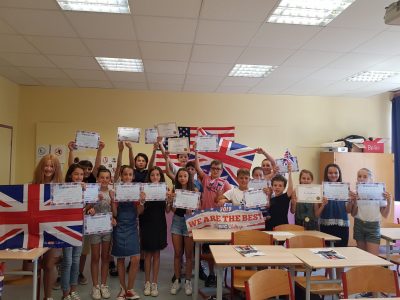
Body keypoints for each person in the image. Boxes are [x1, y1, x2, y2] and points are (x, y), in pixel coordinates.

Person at [194, 145, 230, 286]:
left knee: (219, 250)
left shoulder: (225, 183)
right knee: (207, 250)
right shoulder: (206, 178)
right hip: (205, 220)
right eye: (213, 168)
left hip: (218, 221)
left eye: (218, 169)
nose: (215, 171)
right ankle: (211, 275)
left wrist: (223, 199)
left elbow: (230, 198)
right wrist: (197, 152)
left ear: (221, 170)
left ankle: (219, 275)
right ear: (210, 169)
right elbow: (197, 168)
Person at [68, 140, 104, 285]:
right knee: (68, 248)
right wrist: (70, 150)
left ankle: (79, 272)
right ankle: (64, 273)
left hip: (86, 219)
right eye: (85, 169)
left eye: (90, 169)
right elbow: (71, 167)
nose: (88, 171)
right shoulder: (73, 181)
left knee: (83, 250)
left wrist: (99, 150)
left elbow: (97, 168)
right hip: (71, 218)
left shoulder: (92, 182)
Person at [32, 154, 63, 300]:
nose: (49, 169)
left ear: (56, 169)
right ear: (41, 167)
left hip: (53, 230)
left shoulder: (61, 187)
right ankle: (37, 296)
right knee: (37, 266)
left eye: (52, 166)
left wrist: (79, 189)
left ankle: (48, 297)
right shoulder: (32, 186)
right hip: (35, 231)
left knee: (49, 265)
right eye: (46, 165)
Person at [111, 165, 143, 300]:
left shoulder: (137, 190)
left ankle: (130, 289)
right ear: (121, 176)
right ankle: (122, 289)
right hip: (119, 227)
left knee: (135, 258)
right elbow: (115, 213)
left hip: (132, 226)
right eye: (125, 174)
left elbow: (139, 213)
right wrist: (113, 200)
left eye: (130, 175)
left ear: (133, 177)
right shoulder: (116, 190)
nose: (128, 177)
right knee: (120, 258)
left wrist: (141, 201)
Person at [140, 166, 170, 297]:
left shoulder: (165, 189)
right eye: (152, 175)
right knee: (147, 255)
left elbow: (168, 210)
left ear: (161, 177)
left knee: (156, 254)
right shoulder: (144, 190)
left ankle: (154, 283)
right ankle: (147, 282)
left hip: (159, 224)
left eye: (158, 175)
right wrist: (142, 200)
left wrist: (169, 200)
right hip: (146, 223)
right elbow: (140, 210)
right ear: (149, 177)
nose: (155, 177)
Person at [349, 168, 391, 256]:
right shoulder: (355, 193)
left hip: (373, 226)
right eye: (359, 176)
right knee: (362, 256)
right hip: (359, 225)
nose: (361, 178)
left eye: (365, 177)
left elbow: (385, 215)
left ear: (371, 179)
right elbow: (353, 214)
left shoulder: (379, 192)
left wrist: (389, 201)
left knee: (373, 258)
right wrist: (354, 201)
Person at [168, 168, 197, 296]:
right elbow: (172, 210)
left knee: (189, 255)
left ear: (188, 177)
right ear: (177, 178)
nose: (182, 178)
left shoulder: (194, 191)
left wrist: (192, 210)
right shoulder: (174, 191)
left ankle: (188, 281)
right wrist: (171, 200)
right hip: (177, 222)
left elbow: (199, 207)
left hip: (189, 222)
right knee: (177, 254)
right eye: (180, 176)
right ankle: (178, 280)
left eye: (185, 176)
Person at [85, 168, 113, 300]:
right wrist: (92, 206)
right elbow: (86, 209)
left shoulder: (112, 192)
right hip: (95, 228)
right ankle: (95, 286)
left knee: (105, 257)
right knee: (95, 257)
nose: (104, 180)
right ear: (97, 179)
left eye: (107, 178)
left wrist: (114, 218)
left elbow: (115, 211)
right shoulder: (92, 191)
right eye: (102, 177)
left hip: (107, 229)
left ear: (110, 179)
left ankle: (103, 285)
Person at [60, 164, 85, 300]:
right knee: (67, 261)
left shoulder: (86, 189)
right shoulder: (64, 188)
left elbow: (86, 207)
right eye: (76, 174)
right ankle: (65, 292)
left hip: (79, 228)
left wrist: (90, 208)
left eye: (81, 175)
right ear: (70, 175)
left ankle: (73, 291)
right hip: (66, 228)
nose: (79, 177)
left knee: (76, 260)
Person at [265, 165, 294, 231]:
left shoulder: (285, 197)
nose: (277, 187)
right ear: (272, 186)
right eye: (275, 185)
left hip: (282, 226)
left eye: (280, 186)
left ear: (284, 188)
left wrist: (290, 173)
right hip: (270, 226)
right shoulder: (271, 199)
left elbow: (290, 188)